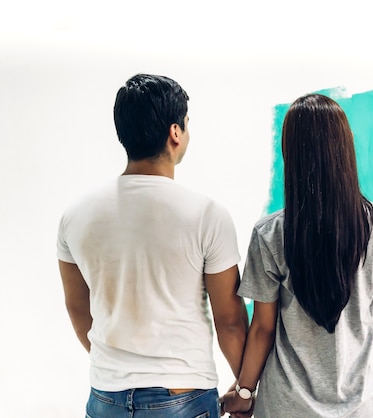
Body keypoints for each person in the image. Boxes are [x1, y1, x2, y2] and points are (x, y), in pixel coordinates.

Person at [221, 93, 373, 418]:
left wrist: (244, 392)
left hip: (286, 407)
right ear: (347, 145)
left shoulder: (270, 234)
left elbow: (263, 329)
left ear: (290, 153)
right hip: (362, 407)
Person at [57, 74, 248, 417]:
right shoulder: (207, 214)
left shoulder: (76, 215)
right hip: (182, 396)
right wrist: (246, 388)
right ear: (175, 132)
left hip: (105, 397)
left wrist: (116, 366)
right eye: (187, 123)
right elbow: (230, 319)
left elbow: (76, 306)